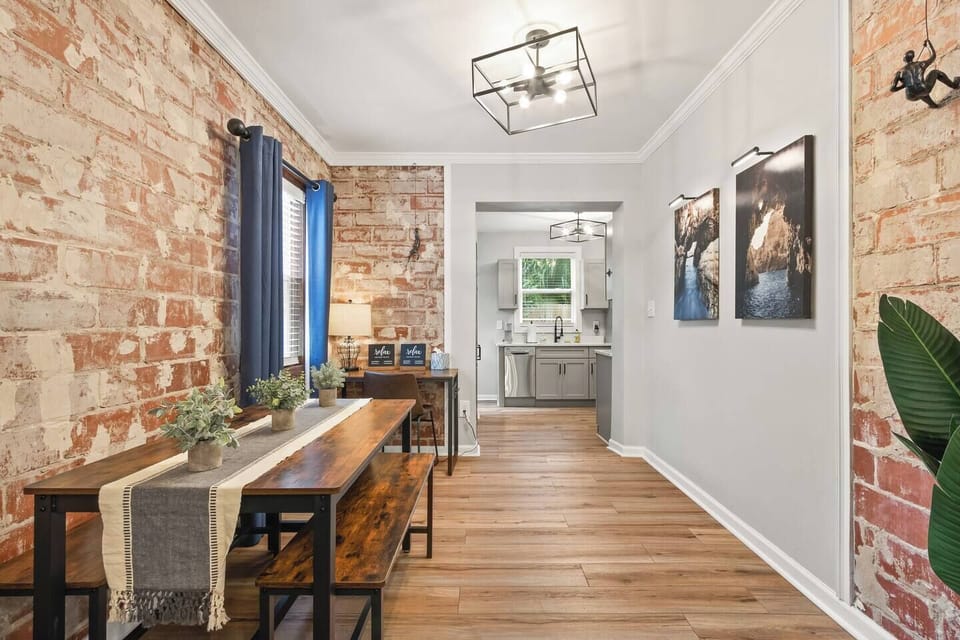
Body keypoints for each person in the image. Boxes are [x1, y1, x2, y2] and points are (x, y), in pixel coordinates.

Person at [891, 39, 960, 108]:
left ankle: (932, 104)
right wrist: (929, 44)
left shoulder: (899, 73)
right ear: (912, 57)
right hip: (924, 89)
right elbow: (933, 56)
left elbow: (892, 89)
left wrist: (904, 85)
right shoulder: (920, 64)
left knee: (917, 90)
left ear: (904, 60)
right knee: (935, 72)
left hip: (910, 95)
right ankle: (954, 85)